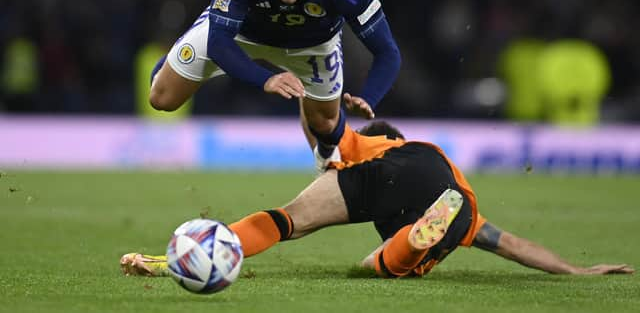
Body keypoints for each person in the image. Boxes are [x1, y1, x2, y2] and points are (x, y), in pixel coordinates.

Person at [120, 120, 634, 278]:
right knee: (387, 260)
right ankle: (416, 238)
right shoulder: (415, 147)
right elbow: (515, 244)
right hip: (445, 185)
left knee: (286, 222)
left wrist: (324, 103)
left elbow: (322, 132)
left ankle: (177, 261)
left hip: (376, 175)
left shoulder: (365, 144)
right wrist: (576, 272)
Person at [149, 0, 401, 170]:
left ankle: (326, 152)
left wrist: (369, 98)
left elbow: (388, 52)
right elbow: (218, 42)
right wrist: (266, 79)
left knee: (325, 124)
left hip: (312, 44)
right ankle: (169, 63)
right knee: (161, 98)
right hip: (241, 33)